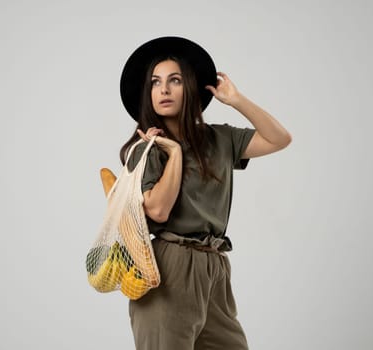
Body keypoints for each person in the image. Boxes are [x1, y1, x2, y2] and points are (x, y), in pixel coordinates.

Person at [118, 36, 292, 350]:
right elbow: (157, 211)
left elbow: (279, 139)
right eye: (156, 83)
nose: (165, 89)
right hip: (169, 267)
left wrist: (237, 100)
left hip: (215, 265)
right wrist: (174, 154)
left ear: (192, 88)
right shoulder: (147, 149)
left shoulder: (220, 139)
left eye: (175, 80)